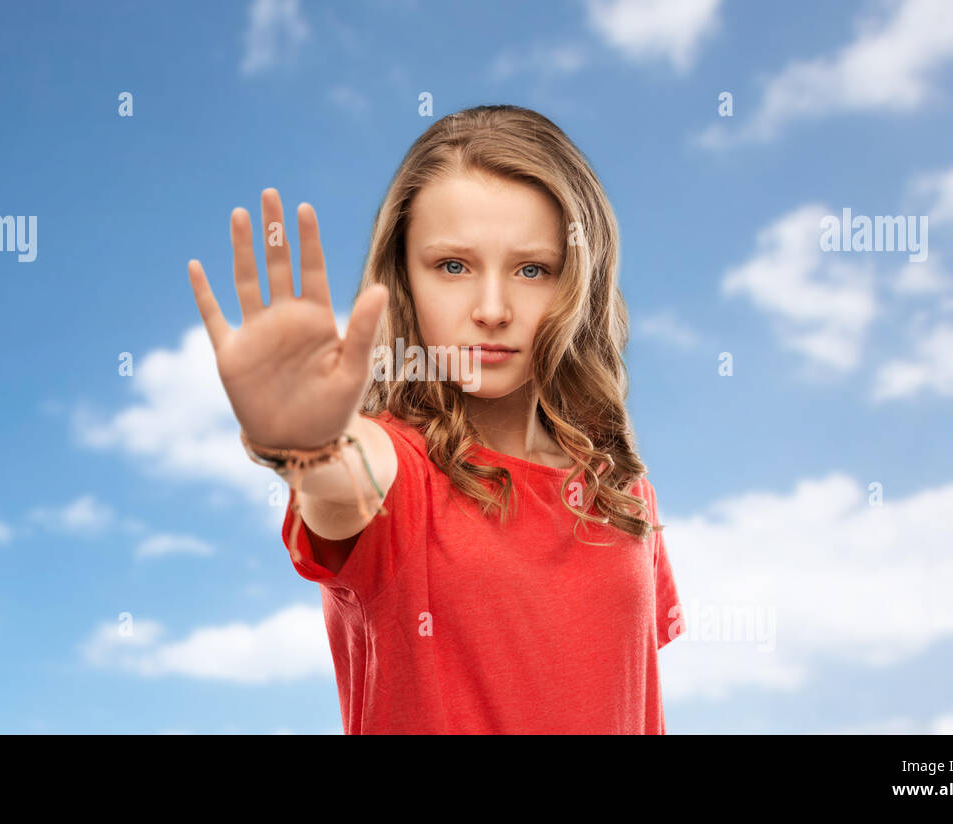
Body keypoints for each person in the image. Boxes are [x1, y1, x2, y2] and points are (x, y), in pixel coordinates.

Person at [187, 104, 685, 734]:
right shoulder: (396, 472)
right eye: (453, 266)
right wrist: (305, 443)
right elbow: (344, 475)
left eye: (532, 269)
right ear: (404, 279)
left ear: (578, 282)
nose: (493, 308)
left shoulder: (621, 489)